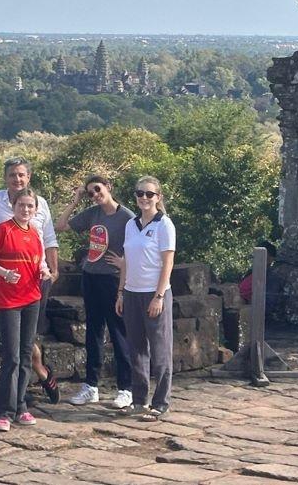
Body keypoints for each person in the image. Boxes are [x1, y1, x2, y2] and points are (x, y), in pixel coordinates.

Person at [0, 156, 60, 403]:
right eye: (13, 175)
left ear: (29, 177)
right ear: (5, 178)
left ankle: (22, 393)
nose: (17, 179)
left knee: (29, 336)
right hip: (7, 279)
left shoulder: (40, 203)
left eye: (22, 175)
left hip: (37, 278)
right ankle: (35, 377)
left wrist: (54, 270)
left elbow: (48, 239)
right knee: (14, 341)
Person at [55, 175, 133, 408]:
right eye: (90, 192)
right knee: (93, 333)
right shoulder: (92, 214)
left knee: (120, 334)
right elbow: (60, 226)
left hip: (112, 280)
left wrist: (124, 263)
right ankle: (91, 386)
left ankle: (125, 389)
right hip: (91, 277)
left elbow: (138, 245)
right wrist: (76, 200)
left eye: (97, 189)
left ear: (109, 187)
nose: (95, 195)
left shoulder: (126, 217)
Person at [0, 187, 48, 431]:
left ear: (36, 209)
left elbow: (38, 261)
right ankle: (3, 411)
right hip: (9, 301)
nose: (25, 209)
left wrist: (44, 271)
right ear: (13, 206)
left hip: (32, 298)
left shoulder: (35, 233)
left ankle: (21, 406)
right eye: (22, 205)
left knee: (27, 353)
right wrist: (4, 273)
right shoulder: (3, 230)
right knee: (12, 356)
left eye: (30, 206)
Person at [116, 176, 175, 420]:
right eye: (140, 193)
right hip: (132, 293)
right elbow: (126, 260)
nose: (144, 198)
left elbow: (167, 262)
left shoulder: (164, 225)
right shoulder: (131, 224)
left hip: (154, 292)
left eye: (149, 194)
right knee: (136, 348)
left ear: (158, 197)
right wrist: (121, 292)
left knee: (160, 350)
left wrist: (159, 296)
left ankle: (160, 402)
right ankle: (139, 400)